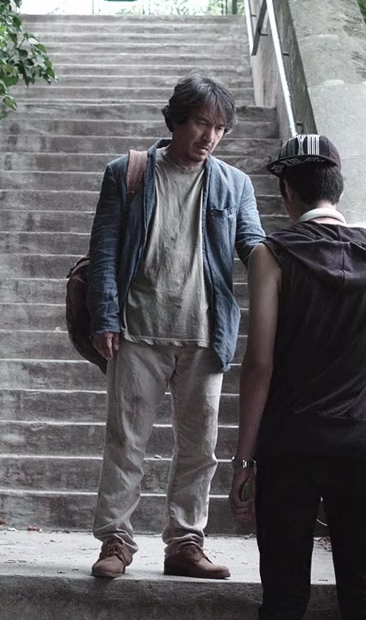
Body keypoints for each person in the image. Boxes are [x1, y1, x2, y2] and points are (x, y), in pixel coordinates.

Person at [86, 72, 265, 579]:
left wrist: (301, 256)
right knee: (125, 442)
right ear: (176, 121)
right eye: (202, 123)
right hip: (137, 330)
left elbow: (253, 245)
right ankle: (116, 541)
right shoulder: (128, 173)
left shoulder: (235, 184)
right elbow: (104, 250)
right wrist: (105, 316)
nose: (210, 136)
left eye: (220, 128)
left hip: (205, 337)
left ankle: (186, 543)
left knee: (200, 448)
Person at [228, 135, 366, 618]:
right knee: (364, 594)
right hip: (363, 446)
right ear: (339, 188)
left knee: (285, 597)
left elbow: (259, 364)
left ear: (287, 191)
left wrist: (243, 460)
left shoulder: (271, 255)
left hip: (290, 445)